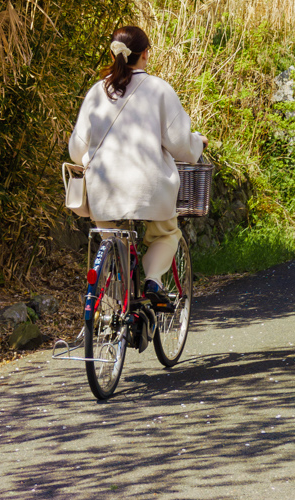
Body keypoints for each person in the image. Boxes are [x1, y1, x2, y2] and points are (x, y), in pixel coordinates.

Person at [68, 23, 205, 310]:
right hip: (150, 187)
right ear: (145, 54)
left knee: (110, 237)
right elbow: (180, 143)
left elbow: (77, 148)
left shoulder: (97, 91)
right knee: (167, 233)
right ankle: (153, 281)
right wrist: (197, 144)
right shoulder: (159, 89)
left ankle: (113, 305)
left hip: (103, 188)